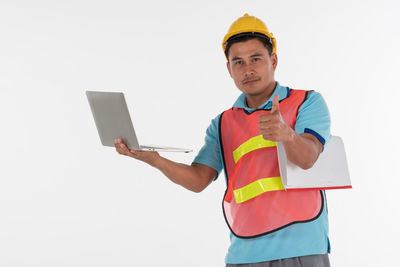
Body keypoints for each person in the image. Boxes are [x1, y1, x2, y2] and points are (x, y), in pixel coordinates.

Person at [114, 13, 331, 267]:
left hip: (301, 247)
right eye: (237, 62)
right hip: (243, 252)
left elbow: (308, 159)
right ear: (229, 69)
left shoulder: (307, 101)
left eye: (256, 59)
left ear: (273, 60)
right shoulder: (222, 123)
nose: (247, 69)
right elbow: (198, 180)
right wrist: (156, 160)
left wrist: (287, 135)